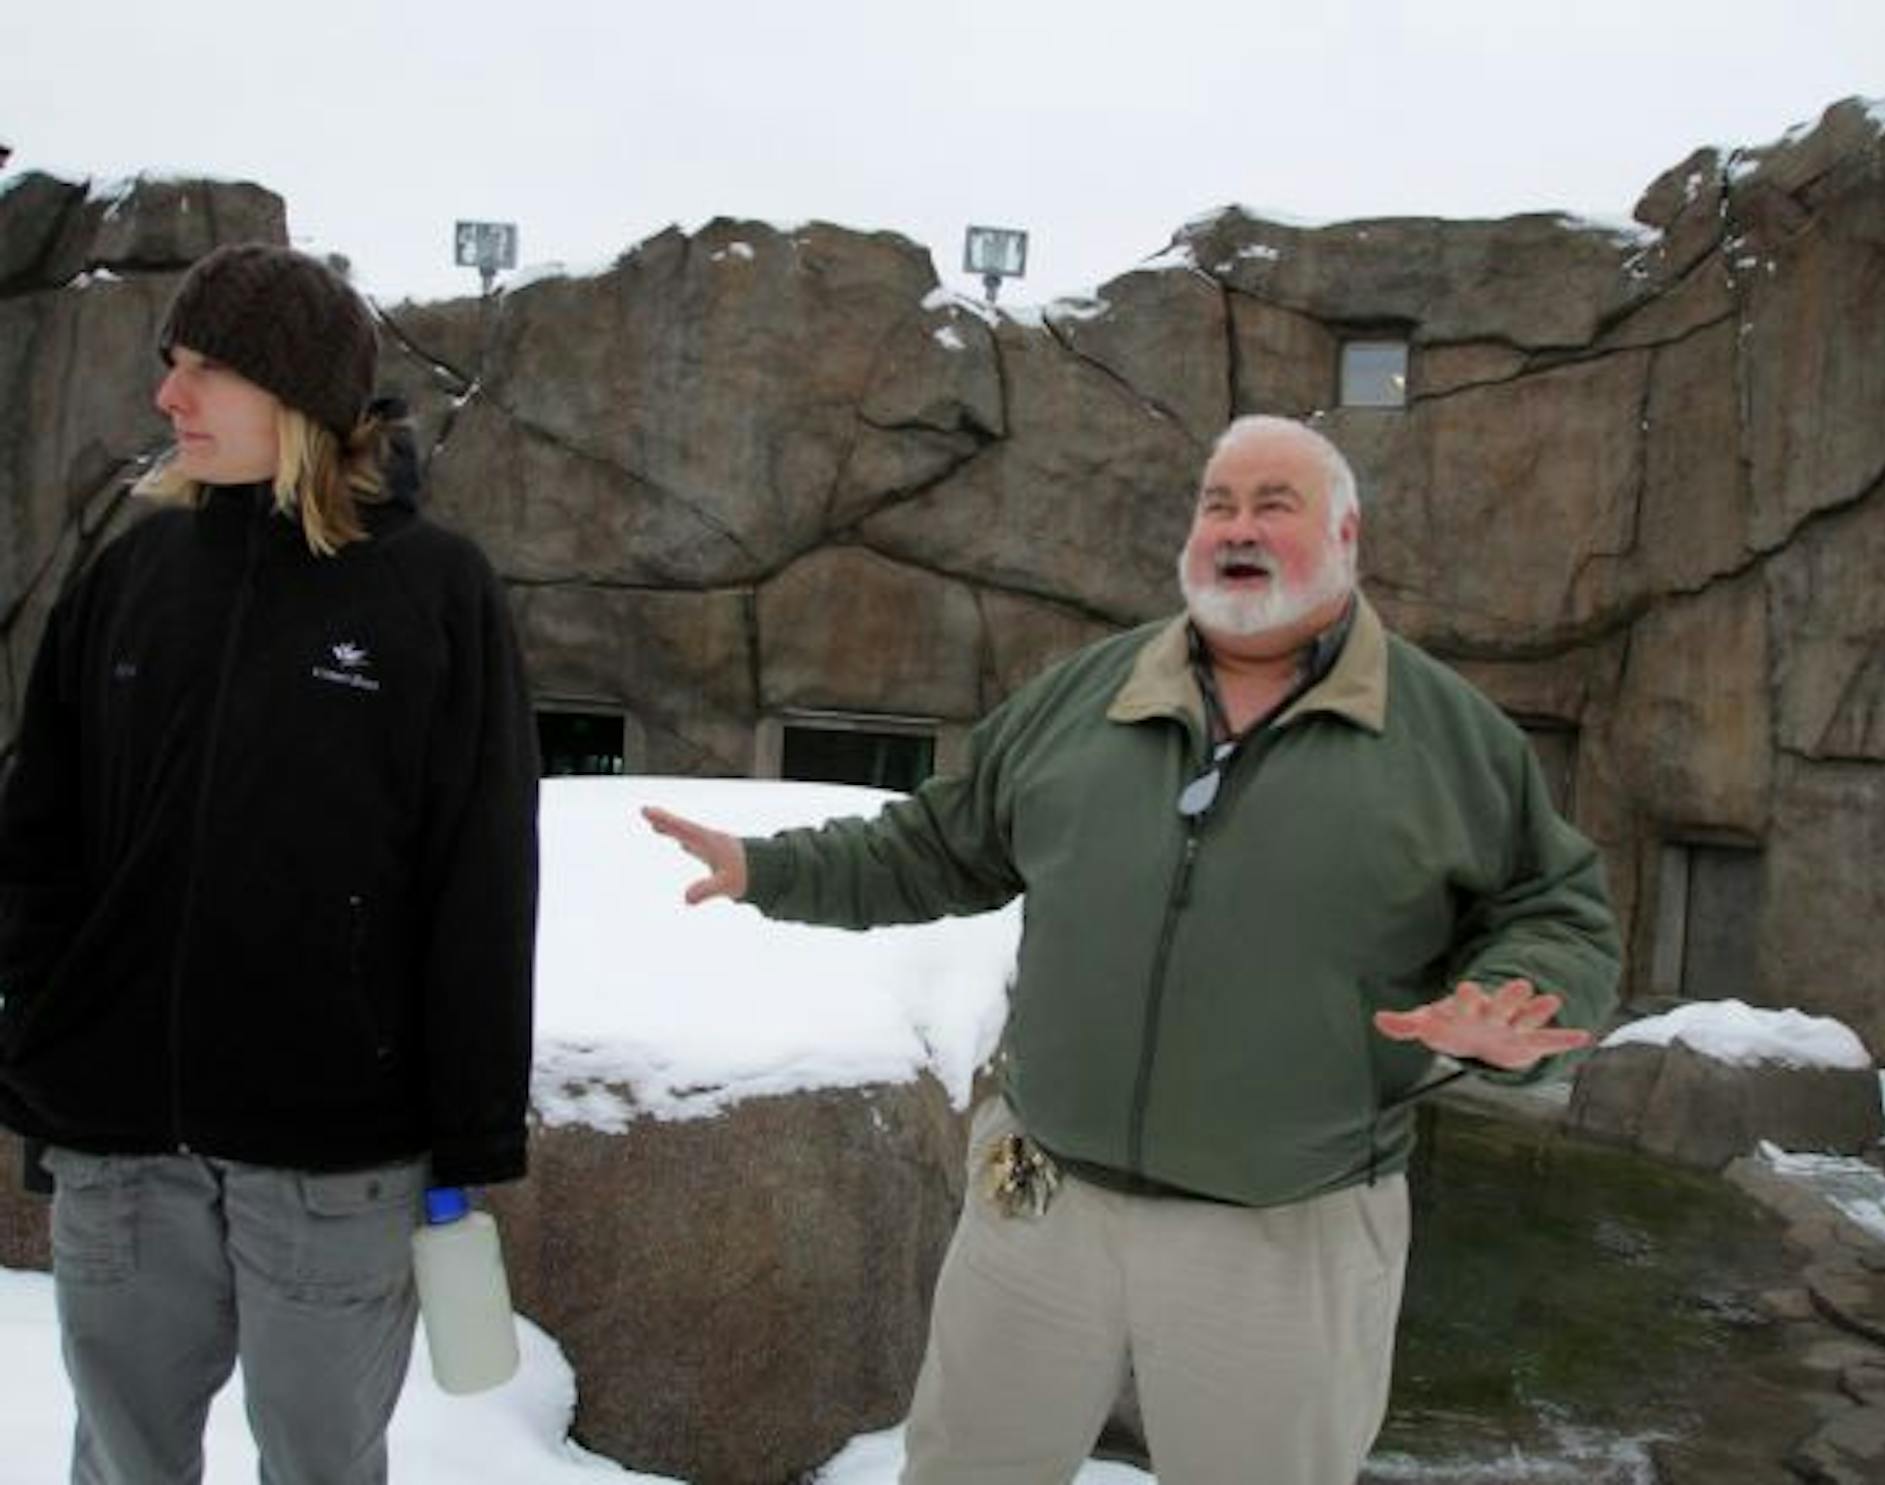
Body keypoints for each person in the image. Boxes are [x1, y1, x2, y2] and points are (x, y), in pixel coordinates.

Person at [644, 414, 1619, 1485]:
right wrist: (770, 869)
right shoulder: (1083, 698)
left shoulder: (1449, 738)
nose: (1237, 528)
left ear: (1348, 537)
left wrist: (1514, 1002)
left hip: (1285, 1228)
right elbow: (940, 846)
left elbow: (1553, 907)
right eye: (1218, 505)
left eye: (1273, 506)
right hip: (1040, 1200)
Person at [0, 242, 540, 1484]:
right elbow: (39, 838)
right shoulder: (128, 576)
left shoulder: (433, 591)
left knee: (318, 1466)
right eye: (169, 366)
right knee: (125, 1463)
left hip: (334, 1157)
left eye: (204, 370)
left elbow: (482, 878)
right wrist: (44, 1060)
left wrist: (466, 1138)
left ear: (294, 394)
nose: (168, 397)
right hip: (122, 1143)